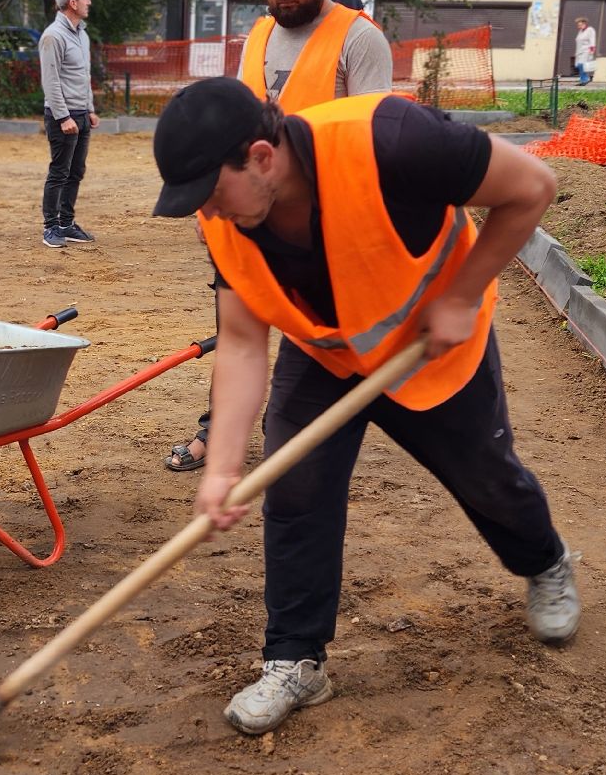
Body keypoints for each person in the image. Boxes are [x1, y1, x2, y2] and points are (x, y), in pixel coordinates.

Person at [149, 77, 579, 736]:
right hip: (326, 357)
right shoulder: (229, 220)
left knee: (488, 480)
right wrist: (223, 467)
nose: (208, 214)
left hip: (429, 351)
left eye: (211, 194)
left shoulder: (391, 141)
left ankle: (545, 561)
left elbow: (532, 187)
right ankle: (295, 658)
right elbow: (240, 343)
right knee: (296, 489)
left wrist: (463, 295)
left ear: (262, 156)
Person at [163, 0, 393, 474]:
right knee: (236, 329)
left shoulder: (360, 41)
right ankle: (218, 429)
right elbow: (237, 127)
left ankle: (287, 429)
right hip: (247, 211)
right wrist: (209, 204)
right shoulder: (261, 35)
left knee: (305, 334)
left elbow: (372, 143)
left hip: (319, 226)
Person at [38, 0, 98, 249]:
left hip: (81, 114)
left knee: (76, 171)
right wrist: (63, 118)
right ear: (72, 3)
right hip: (63, 117)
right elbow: (50, 82)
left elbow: (83, 76)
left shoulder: (81, 34)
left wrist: (90, 110)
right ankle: (51, 227)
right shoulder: (53, 36)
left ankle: (66, 223)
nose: (89, 2)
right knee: (59, 172)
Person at [574, 16, 598, 86]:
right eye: (578, 25)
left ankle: (585, 79)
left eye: (580, 25)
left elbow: (592, 40)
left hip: (586, 51)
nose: (579, 26)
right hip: (580, 52)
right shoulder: (580, 31)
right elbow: (578, 42)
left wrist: (591, 52)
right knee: (579, 66)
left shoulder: (590, 30)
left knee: (582, 65)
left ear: (584, 23)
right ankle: (583, 79)